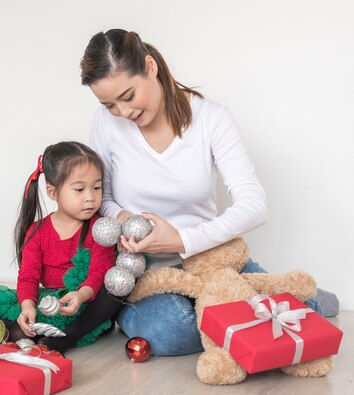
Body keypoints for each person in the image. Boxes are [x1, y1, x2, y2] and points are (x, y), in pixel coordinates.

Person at [79, 29, 339, 356]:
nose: (123, 112)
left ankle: (294, 299)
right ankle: (255, 301)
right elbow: (98, 196)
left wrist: (182, 241)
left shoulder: (211, 118)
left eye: (128, 96)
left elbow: (254, 204)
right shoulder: (106, 123)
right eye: (109, 105)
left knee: (246, 311)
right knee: (171, 333)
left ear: (150, 67)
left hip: (208, 258)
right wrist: (123, 217)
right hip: (142, 271)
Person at [0, 141, 122, 354]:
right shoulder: (38, 231)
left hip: (86, 300)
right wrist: (28, 306)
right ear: (52, 192)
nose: (91, 197)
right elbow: (28, 276)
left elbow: (99, 270)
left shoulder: (99, 228)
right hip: (50, 301)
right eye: (79, 189)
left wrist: (81, 295)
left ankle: (69, 336)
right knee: (20, 323)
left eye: (97, 188)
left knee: (117, 286)